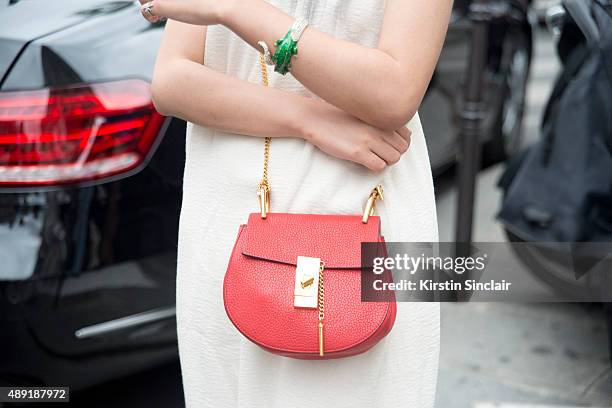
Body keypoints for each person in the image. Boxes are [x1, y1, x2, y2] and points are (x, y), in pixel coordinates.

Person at [139, 0, 452, 406]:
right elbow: (171, 81)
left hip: (361, 207)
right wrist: (310, 120)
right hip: (229, 218)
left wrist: (231, 8)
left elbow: (392, 91)